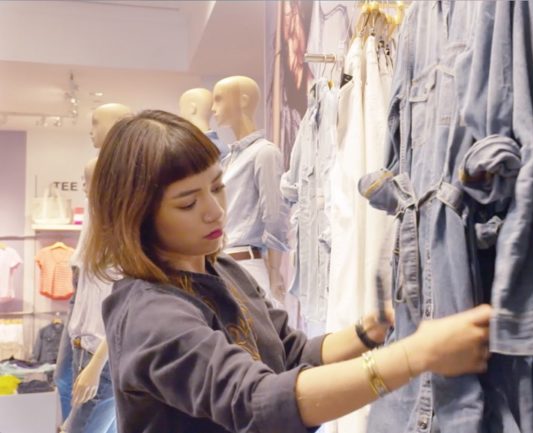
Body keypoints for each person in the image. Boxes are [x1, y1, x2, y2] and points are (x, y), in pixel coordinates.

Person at [82, 110, 492, 433]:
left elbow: (289, 353)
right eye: (188, 203)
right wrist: (413, 356)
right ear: (137, 215)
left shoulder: (223, 270)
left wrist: (369, 332)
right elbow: (256, 401)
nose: (215, 210)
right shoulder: (150, 315)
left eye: (217, 186)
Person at [62, 103, 130, 433]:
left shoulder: (126, 203)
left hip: (103, 343)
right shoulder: (102, 202)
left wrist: (99, 361)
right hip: (87, 333)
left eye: (95, 123)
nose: (90, 131)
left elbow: (129, 293)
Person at [212, 75, 289, 309]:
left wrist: (274, 270)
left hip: (246, 267)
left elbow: (275, 215)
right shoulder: (230, 159)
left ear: (243, 101)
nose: (213, 108)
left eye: (219, 99)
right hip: (224, 265)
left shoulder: (264, 153)